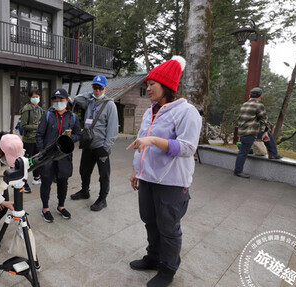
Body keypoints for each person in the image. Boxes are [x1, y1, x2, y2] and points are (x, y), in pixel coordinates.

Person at [127, 56, 202, 287]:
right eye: (147, 84)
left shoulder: (186, 112)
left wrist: (154, 140)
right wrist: (135, 169)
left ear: (167, 86)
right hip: (147, 177)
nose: (147, 88)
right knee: (149, 220)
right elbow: (141, 142)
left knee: (168, 228)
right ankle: (153, 257)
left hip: (171, 182)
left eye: (152, 84)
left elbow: (188, 148)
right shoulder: (152, 110)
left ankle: (168, 269)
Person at [69, 75, 119, 211]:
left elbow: (113, 129)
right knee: (84, 171)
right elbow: (77, 98)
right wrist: (91, 94)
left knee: (103, 175)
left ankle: (102, 199)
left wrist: (106, 146)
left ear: (105, 88)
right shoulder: (90, 102)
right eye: (95, 87)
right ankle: (85, 191)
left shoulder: (110, 105)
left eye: (100, 88)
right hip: (88, 144)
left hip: (101, 146)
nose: (97, 91)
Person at [36, 88, 81, 223]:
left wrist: (68, 139)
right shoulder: (47, 115)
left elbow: (78, 134)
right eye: (55, 101)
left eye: (61, 100)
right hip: (48, 156)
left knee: (63, 182)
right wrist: (42, 152)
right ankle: (45, 208)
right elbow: (39, 135)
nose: (58, 103)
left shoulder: (73, 117)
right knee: (46, 182)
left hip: (64, 156)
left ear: (67, 101)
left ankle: (61, 206)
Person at [234, 87, 283, 178]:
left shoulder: (244, 104)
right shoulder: (259, 105)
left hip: (244, 130)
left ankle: (273, 154)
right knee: (243, 152)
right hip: (251, 131)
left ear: (250, 95)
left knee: (267, 135)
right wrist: (264, 131)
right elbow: (263, 120)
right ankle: (238, 171)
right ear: (261, 95)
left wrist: (265, 132)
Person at [19, 89, 44, 193]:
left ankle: (36, 178)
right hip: (28, 140)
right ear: (29, 97)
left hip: (37, 139)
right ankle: (23, 182)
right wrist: (37, 126)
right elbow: (23, 125)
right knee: (27, 161)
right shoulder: (26, 109)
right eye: (34, 96)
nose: (36, 98)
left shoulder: (40, 109)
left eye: (37, 96)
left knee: (37, 159)